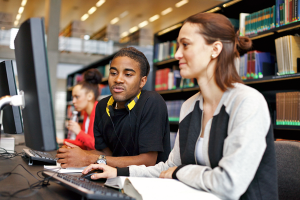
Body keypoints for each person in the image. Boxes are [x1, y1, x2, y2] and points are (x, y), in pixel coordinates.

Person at [82, 13, 278, 200]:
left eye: (185, 45)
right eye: (178, 46)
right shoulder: (190, 106)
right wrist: (117, 171)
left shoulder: (247, 102)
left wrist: (181, 172)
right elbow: (168, 167)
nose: (177, 54)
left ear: (215, 49)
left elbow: (229, 184)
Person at [56, 47, 171, 169]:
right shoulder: (102, 106)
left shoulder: (152, 101)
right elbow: (106, 154)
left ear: (142, 81)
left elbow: (148, 161)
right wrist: (73, 154)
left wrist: (87, 158)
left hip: (145, 184)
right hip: (113, 178)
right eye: (113, 73)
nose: (118, 79)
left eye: (127, 74)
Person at [57, 68, 102, 150]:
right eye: (73, 97)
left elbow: (96, 145)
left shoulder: (99, 113)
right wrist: (61, 141)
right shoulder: (86, 114)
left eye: (77, 97)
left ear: (90, 96)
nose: (73, 101)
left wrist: (78, 131)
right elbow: (84, 143)